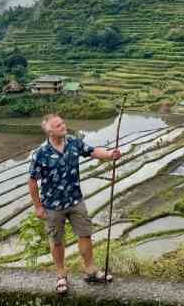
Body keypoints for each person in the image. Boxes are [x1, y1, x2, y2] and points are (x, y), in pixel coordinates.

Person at [28, 113, 121, 294]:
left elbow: (92, 151)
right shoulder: (40, 153)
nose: (63, 126)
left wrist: (110, 154)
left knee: (85, 234)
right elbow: (32, 181)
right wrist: (38, 207)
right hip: (53, 206)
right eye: (58, 125)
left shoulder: (73, 142)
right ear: (49, 131)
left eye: (63, 123)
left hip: (75, 200)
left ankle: (91, 271)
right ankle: (61, 275)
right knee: (56, 241)